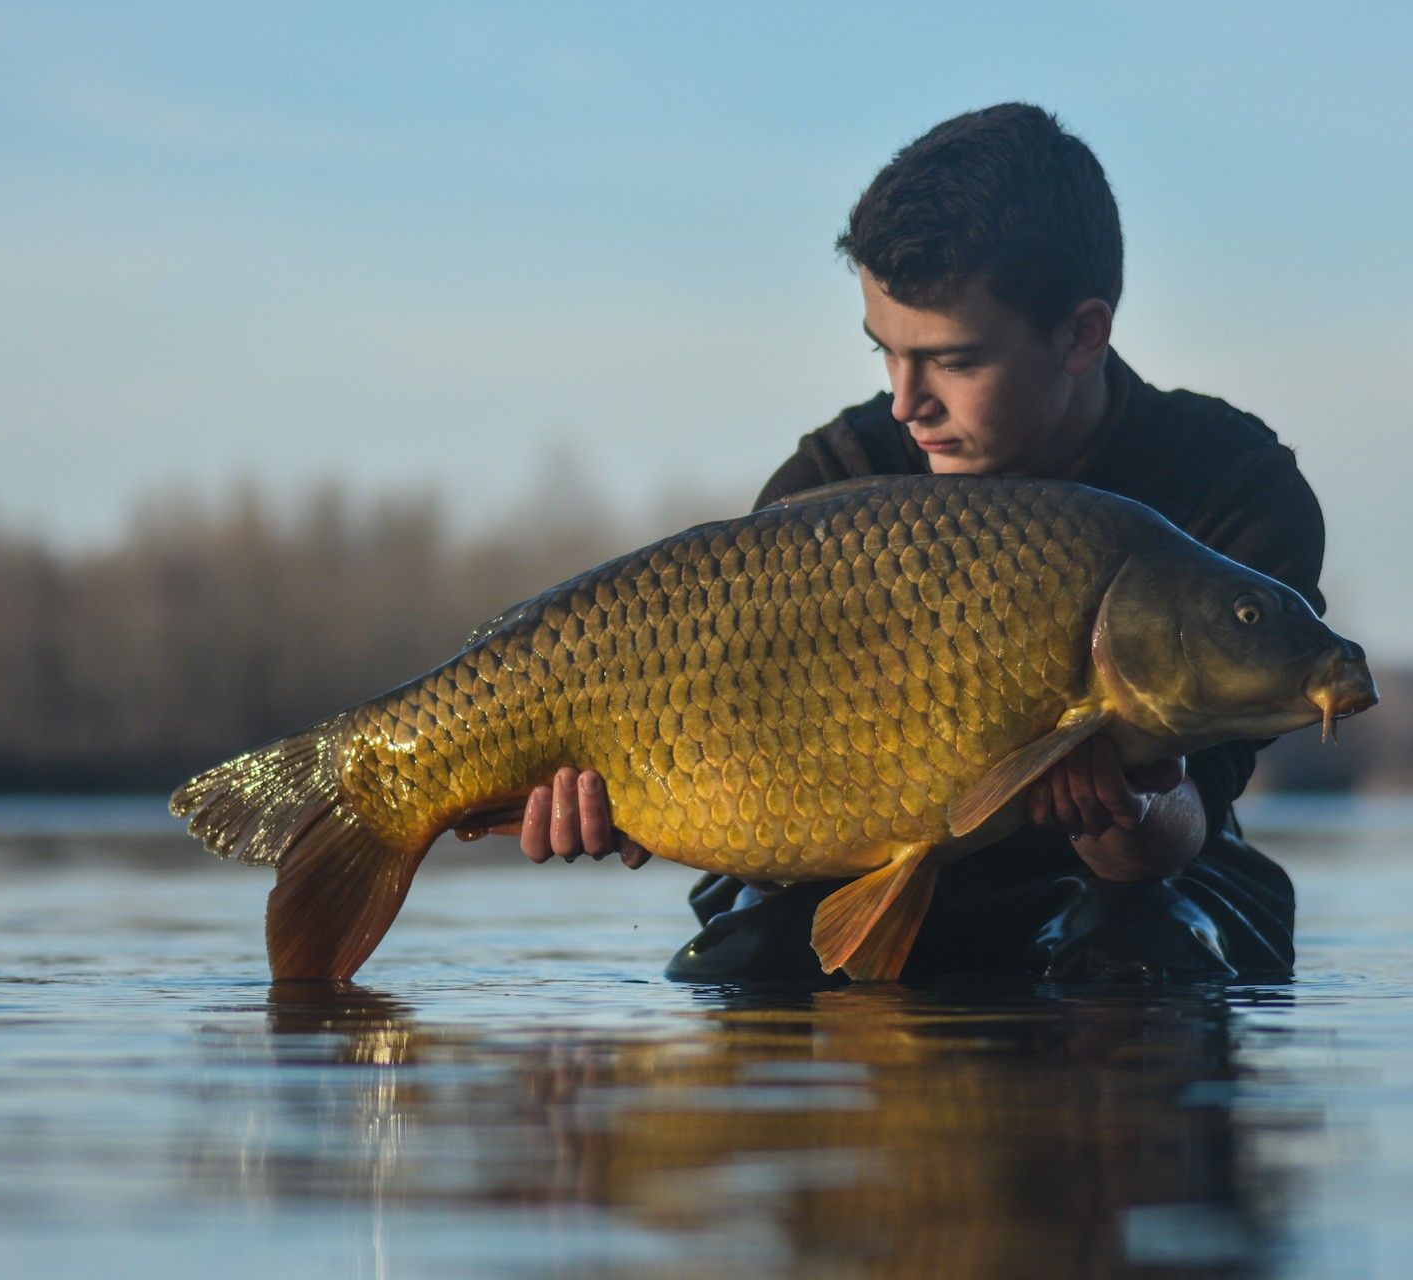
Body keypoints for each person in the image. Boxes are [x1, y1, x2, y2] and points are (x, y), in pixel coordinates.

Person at [489, 103, 1325, 983]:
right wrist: (636, 803)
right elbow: (756, 818)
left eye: (953, 361)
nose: (905, 403)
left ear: (1083, 334)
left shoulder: (1232, 489)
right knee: (755, 965)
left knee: (1141, 965)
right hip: (847, 856)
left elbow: (1188, 818)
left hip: (1147, 878)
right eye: (886, 352)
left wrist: (1119, 811)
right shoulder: (839, 478)